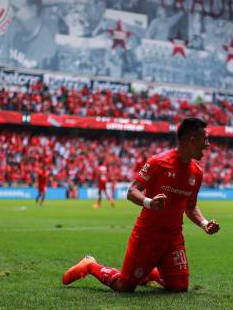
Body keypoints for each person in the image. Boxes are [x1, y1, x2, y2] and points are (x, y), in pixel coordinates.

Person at [62, 118, 219, 293]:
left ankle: (148, 273)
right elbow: (132, 191)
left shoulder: (197, 173)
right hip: (147, 236)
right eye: (205, 139)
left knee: (180, 287)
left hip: (174, 238)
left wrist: (205, 224)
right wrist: (149, 202)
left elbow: (190, 207)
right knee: (124, 286)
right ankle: (90, 265)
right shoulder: (159, 162)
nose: (208, 144)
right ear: (192, 140)